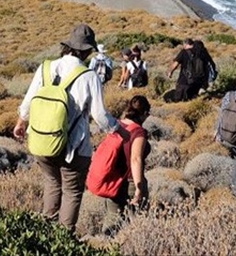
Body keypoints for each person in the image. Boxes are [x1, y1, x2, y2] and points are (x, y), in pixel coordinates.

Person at [14, 24, 118, 231]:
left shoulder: (45, 67)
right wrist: (117, 129)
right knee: (72, 191)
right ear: (88, 51)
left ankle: (45, 236)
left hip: (42, 142)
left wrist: (21, 122)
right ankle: (64, 240)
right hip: (74, 147)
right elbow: (100, 116)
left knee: (52, 184)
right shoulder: (89, 76)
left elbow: (28, 101)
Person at [101, 95, 151, 236]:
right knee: (137, 224)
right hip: (130, 182)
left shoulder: (116, 125)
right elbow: (135, 159)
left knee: (112, 222)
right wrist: (139, 188)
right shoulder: (138, 132)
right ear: (144, 113)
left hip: (113, 181)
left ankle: (106, 248)